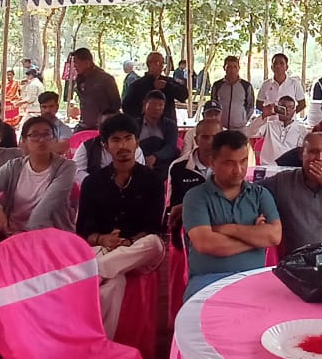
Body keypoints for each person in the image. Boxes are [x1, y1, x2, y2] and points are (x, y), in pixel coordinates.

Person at [77, 113, 166, 332]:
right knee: (115, 283)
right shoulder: (92, 183)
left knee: (154, 243)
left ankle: (92, 272)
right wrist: (103, 239)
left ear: (137, 142)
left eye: (128, 138)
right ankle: (102, 343)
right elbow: (83, 229)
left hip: (140, 249)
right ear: (105, 146)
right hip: (105, 248)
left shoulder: (153, 180)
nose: (123, 146)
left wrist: (129, 242)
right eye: (116, 140)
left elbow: (153, 226)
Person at [182, 130, 281, 299]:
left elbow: (274, 236)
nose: (238, 170)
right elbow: (206, 244)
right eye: (229, 163)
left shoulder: (260, 194)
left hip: (254, 278)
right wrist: (256, 240)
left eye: (243, 161)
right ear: (212, 162)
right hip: (208, 281)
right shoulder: (196, 197)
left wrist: (227, 229)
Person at [258, 133, 322, 254]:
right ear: (301, 154)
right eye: (313, 152)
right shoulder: (283, 181)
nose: (319, 158)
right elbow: (252, 192)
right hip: (301, 260)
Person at [0, 116, 77, 236]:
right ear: (23, 140)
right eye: (34, 135)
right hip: (13, 233)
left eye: (47, 134)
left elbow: (44, 210)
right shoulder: (14, 166)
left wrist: (26, 238)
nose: (41, 140)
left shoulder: (66, 167)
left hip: (50, 235)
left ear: (54, 139)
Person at [167, 119, 223, 250]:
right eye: (205, 137)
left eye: (215, 137)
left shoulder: (230, 165)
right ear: (196, 140)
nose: (210, 142)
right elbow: (172, 208)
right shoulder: (178, 167)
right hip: (190, 227)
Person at [123, 52, 189, 122]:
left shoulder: (168, 82)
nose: (161, 66)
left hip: (167, 125)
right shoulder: (137, 85)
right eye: (158, 63)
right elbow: (127, 107)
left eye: (163, 64)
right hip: (144, 125)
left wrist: (168, 86)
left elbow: (184, 95)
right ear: (149, 64)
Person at [245, 95, 308, 166]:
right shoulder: (269, 125)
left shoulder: (301, 130)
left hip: (289, 168)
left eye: (291, 107)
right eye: (283, 107)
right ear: (277, 108)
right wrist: (263, 116)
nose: (287, 110)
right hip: (268, 166)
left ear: (294, 111)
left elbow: (301, 154)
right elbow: (250, 133)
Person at [71, 48, 122, 131]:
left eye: (76, 62)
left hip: (103, 126)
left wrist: (106, 119)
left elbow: (116, 104)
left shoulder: (106, 79)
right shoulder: (79, 79)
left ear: (87, 63)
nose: (74, 66)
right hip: (85, 125)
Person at [135, 90, 181, 180]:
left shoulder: (170, 125)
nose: (157, 108)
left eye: (160, 105)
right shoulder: (135, 124)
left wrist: (155, 157)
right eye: (153, 104)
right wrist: (143, 160)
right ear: (144, 104)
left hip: (163, 165)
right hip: (139, 161)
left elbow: (171, 147)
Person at [210, 56, 254, 130]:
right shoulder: (217, 85)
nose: (232, 70)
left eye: (235, 67)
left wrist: (244, 119)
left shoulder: (246, 86)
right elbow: (213, 104)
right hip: (221, 127)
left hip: (240, 128)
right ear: (224, 68)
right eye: (229, 67)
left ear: (239, 68)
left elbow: (250, 105)